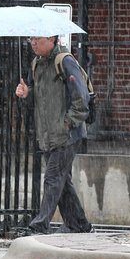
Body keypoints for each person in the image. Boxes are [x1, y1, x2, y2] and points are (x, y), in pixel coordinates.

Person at [15, 35, 93, 234]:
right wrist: (26, 93)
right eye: (31, 39)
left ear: (51, 39)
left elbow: (81, 98)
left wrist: (68, 123)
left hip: (67, 135)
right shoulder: (37, 64)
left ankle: (39, 226)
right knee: (62, 182)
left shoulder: (65, 61)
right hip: (48, 134)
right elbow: (41, 97)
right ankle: (79, 225)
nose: (32, 42)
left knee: (52, 178)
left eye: (37, 39)